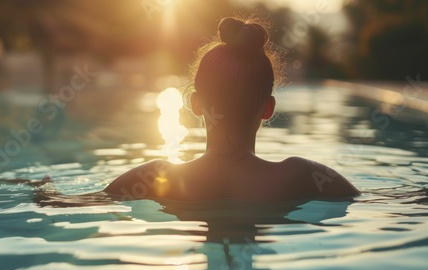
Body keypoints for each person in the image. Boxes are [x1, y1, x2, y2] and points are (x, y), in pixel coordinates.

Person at [103, 17, 360, 202]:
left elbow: (72, 204)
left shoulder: (156, 179)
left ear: (195, 104)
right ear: (268, 108)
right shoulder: (301, 176)